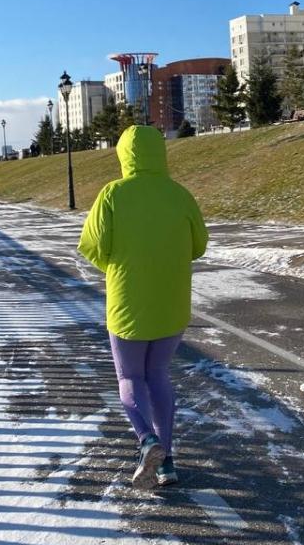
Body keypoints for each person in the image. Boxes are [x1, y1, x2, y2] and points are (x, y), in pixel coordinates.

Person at [78, 124, 208, 489]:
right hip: (172, 303)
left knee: (130, 377)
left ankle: (146, 439)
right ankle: (167, 461)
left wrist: (119, 264)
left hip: (128, 303)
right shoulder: (179, 195)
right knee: (159, 376)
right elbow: (199, 245)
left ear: (123, 155)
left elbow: (91, 246)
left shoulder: (112, 195)